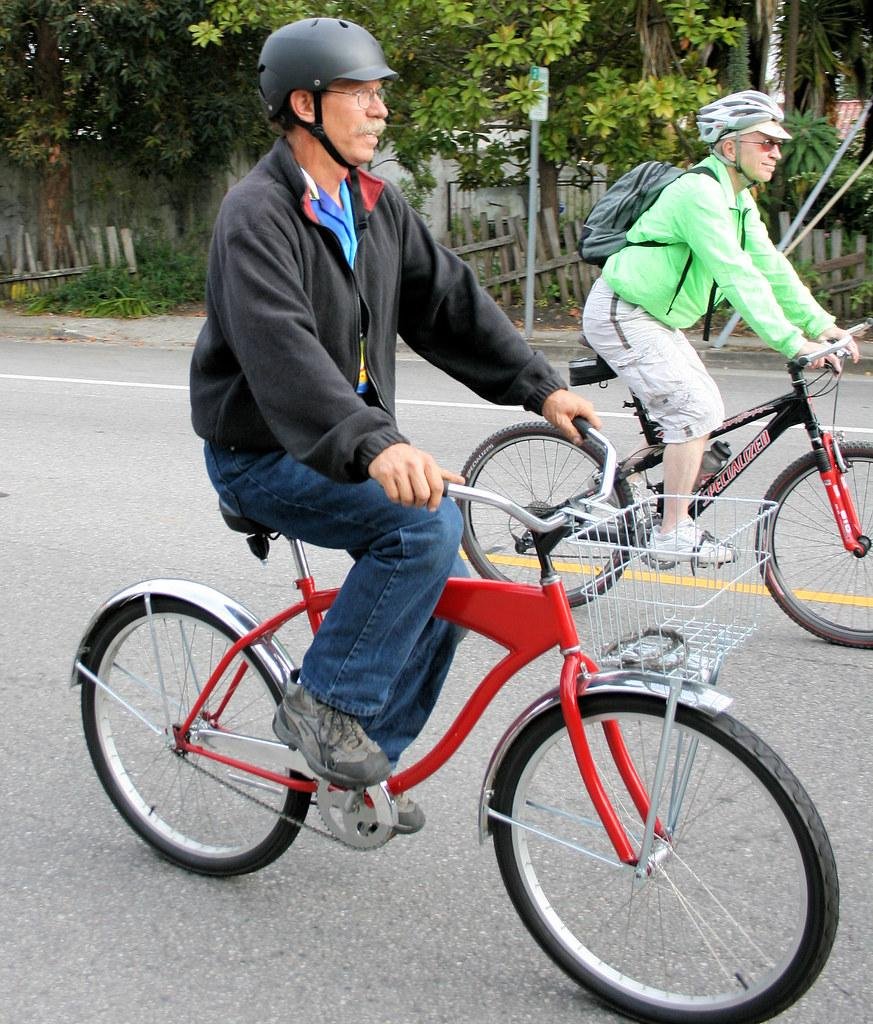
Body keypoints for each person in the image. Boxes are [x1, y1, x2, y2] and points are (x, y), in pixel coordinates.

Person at [188, 17, 599, 833]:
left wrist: (539, 389)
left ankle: (363, 767)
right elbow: (284, 356)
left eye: (381, 96)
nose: (379, 111)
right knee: (421, 530)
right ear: (304, 105)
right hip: (262, 448)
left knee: (443, 586)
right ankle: (324, 705)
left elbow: (447, 303)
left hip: (339, 440)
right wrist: (376, 443)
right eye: (360, 95)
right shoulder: (255, 215)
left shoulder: (372, 201)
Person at [581, 89, 860, 563]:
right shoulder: (699, 194)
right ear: (730, 148)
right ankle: (673, 531)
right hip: (621, 311)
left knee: (703, 411)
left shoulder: (738, 201)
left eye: (778, 143)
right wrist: (792, 342)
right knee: (693, 407)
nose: (776, 151)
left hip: (653, 317)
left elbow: (769, 266)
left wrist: (822, 325)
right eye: (764, 142)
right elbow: (736, 274)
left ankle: (615, 491)